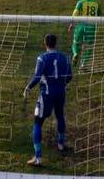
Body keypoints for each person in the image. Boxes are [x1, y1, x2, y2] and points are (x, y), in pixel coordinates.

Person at [23, 34, 72, 166]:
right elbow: (69, 76)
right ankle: (61, 144)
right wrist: (61, 84)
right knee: (60, 115)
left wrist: (28, 87)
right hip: (60, 92)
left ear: (45, 43)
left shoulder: (42, 58)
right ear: (55, 43)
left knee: (37, 122)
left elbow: (37, 76)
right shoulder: (65, 57)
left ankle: (38, 158)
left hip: (47, 94)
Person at [68, 0, 100, 67]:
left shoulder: (80, 3)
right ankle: (83, 64)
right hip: (91, 28)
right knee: (89, 47)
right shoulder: (97, 4)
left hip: (80, 26)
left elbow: (75, 14)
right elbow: (99, 16)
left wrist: (71, 24)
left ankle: (75, 54)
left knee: (75, 43)